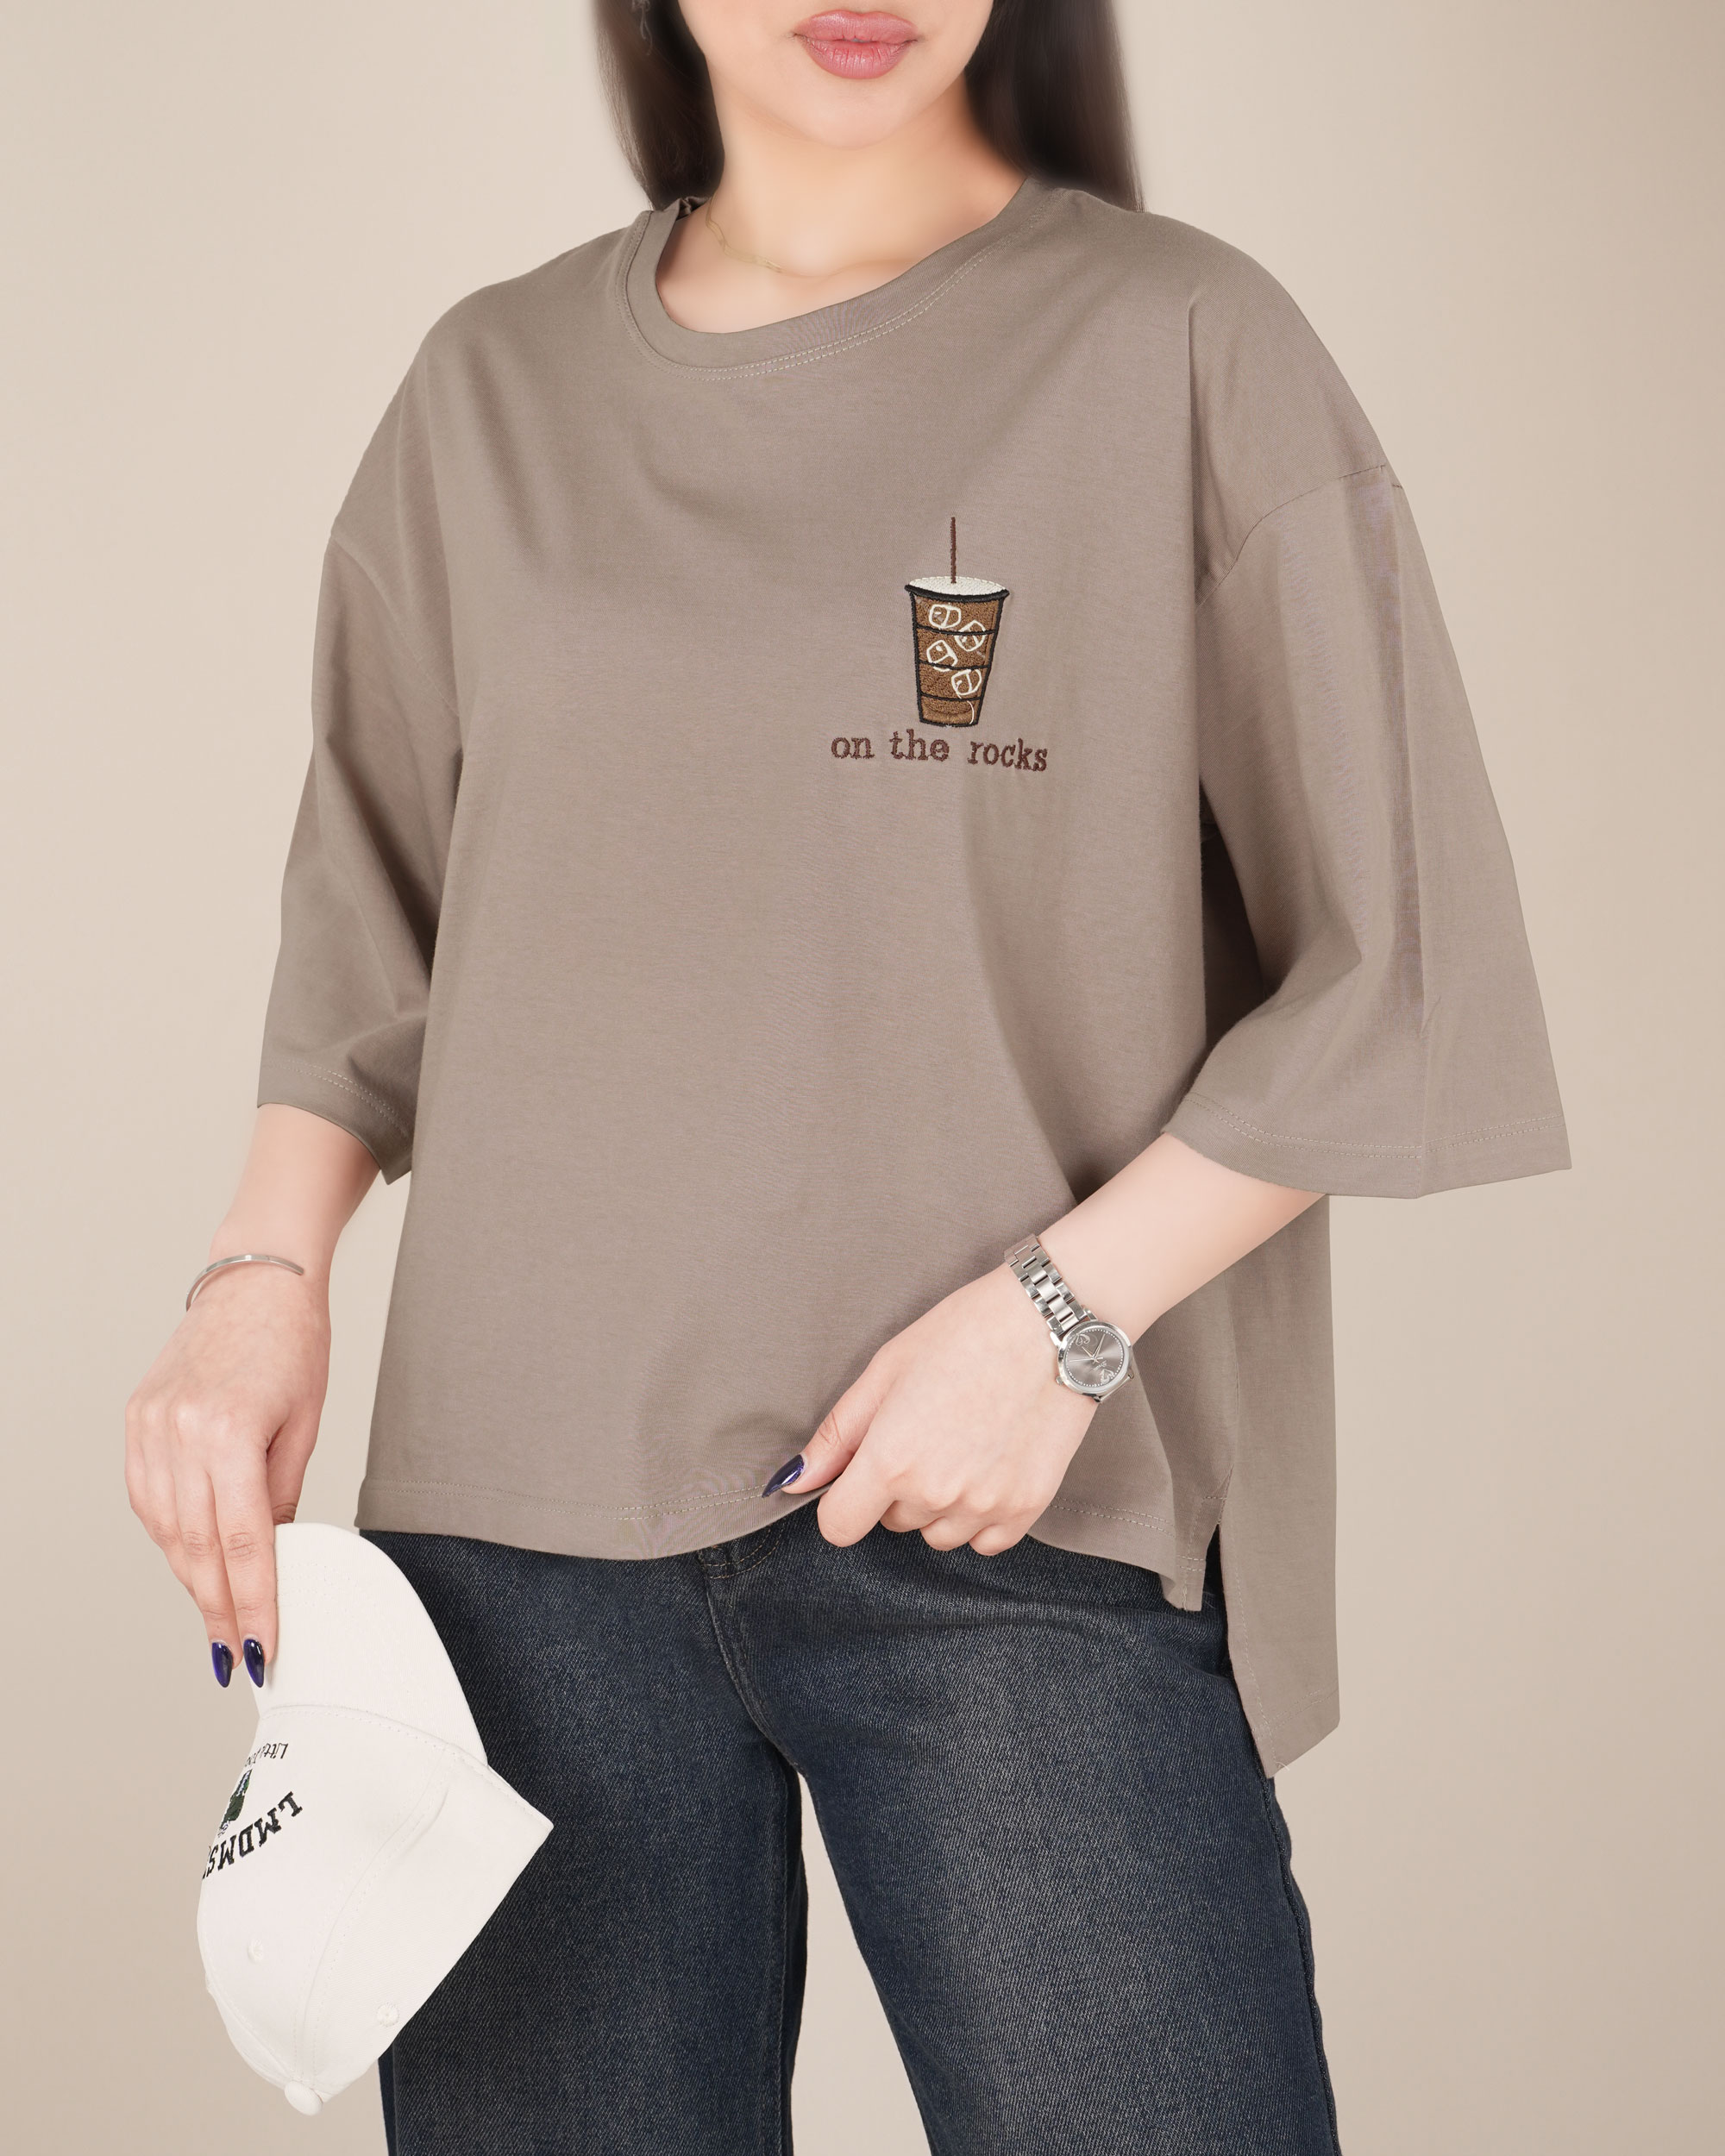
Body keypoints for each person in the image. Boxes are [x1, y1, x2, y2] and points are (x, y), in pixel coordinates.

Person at [124, 2, 1569, 2149]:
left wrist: (1058, 1315)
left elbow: (1403, 961)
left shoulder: (1180, 346)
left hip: (1013, 1506)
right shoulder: (485, 391)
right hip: (510, 1554)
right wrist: (261, 1280)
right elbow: (371, 922)